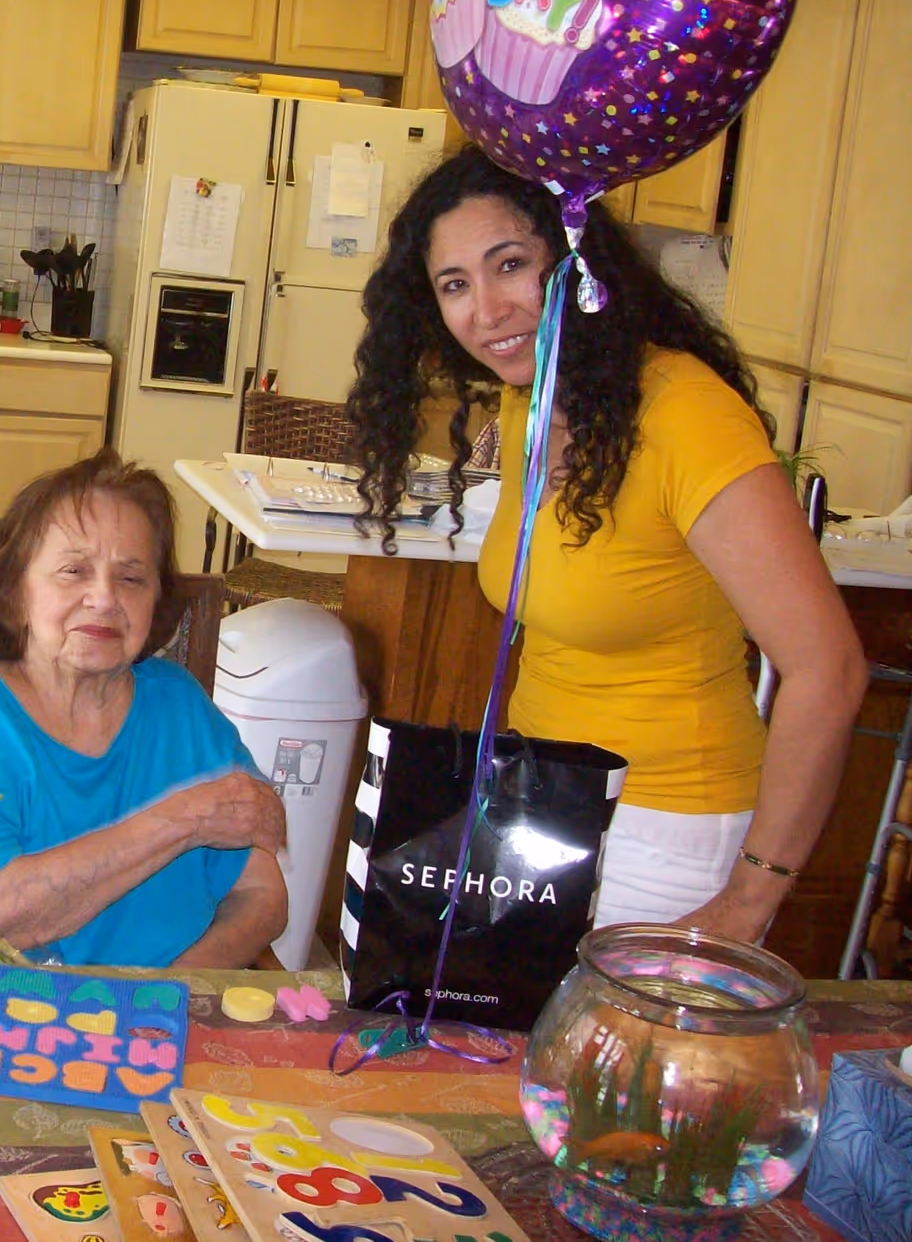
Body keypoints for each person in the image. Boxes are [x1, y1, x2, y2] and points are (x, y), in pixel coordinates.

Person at [347, 146, 868, 943]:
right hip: (544, 811)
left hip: (667, 834)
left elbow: (829, 669)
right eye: (455, 284)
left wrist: (747, 900)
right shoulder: (531, 400)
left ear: (577, 257)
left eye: (510, 264)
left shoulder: (683, 413)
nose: (486, 310)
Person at [0, 449, 288, 968]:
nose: (104, 598)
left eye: (131, 578)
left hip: (169, 1003)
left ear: (156, 601)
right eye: (73, 571)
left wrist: (170, 994)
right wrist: (183, 820)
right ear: (17, 591)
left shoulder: (179, 706)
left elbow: (261, 895)